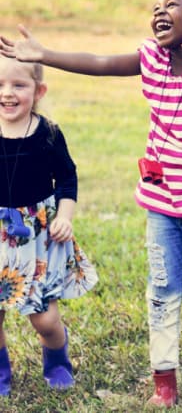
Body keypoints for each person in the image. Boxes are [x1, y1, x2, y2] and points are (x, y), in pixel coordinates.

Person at [0, 0, 182, 407]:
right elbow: (99, 61)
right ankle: (164, 381)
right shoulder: (151, 57)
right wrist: (46, 55)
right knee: (161, 292)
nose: (158, 11)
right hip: (163, 207)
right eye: (155, 5)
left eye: (170, 4)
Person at [0, 55, 97, 396]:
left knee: (44, 319)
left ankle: (56, 359)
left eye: (18, 85)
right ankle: (1, 371)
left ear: (39, 90)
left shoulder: (47, 134)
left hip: (38, 236)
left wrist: (65, 216)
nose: (7, 93)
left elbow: (67, 178)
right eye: (0, 85)